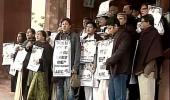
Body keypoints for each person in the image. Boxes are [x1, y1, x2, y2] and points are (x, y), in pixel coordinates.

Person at [134, 14, 163, 100]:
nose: (141, 24)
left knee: (148, 95)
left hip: (148, 69)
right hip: (141, 69)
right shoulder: (144, 33)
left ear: (148, 22)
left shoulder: (154, 33)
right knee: (143, 94)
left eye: (142, 22)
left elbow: (154, 52)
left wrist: (148, 69)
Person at [53, 18, 80, 100]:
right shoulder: (58, 36)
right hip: (59, 67)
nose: (64, 25)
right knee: (59, 87)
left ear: (70, 26)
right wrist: (53, 66)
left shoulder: (75, 36)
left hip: (70, 67)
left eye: (66, 24)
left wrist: (75, 67)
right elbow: (55, 52)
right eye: (62, 24)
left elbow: (77, 52)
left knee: (70, 89)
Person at [105, 17, 132, 100]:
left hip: (121, 69)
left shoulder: (125, 35)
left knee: (119, 96)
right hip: (114, 69)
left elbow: (120, 52)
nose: (108, 30)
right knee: (111, 95)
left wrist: (109, 61)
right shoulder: (115, 36)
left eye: (110, 28)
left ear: (116, 26)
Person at [26, 30, 53, 100]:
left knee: (41, 90)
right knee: (33, 90)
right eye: (36, 34)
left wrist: (40, 60)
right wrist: (27, 47)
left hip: (42, 71)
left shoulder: (48, 47)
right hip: (34, 69)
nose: (37, 36)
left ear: (43, 37)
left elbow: (49, 59)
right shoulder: (35, 43)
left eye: (39, 34)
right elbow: (29, 51)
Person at [81, 21, 103, 100]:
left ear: (94, 29)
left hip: (95, 65)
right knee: (87, 88)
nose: (88, 29)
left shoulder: (99, 39)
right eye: (87, 27)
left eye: (90, 27)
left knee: (96, 87)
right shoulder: (83, 39)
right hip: (86, 66)